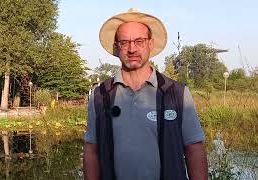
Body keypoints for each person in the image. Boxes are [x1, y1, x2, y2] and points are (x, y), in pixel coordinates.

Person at [83, 8, 208, 180]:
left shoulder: (177, 93)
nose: (132, 48)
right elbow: (91, 151)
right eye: (124, 42)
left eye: (139, 41)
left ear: (150, 44)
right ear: (116, 47)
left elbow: (194, 149)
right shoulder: (100, 95)